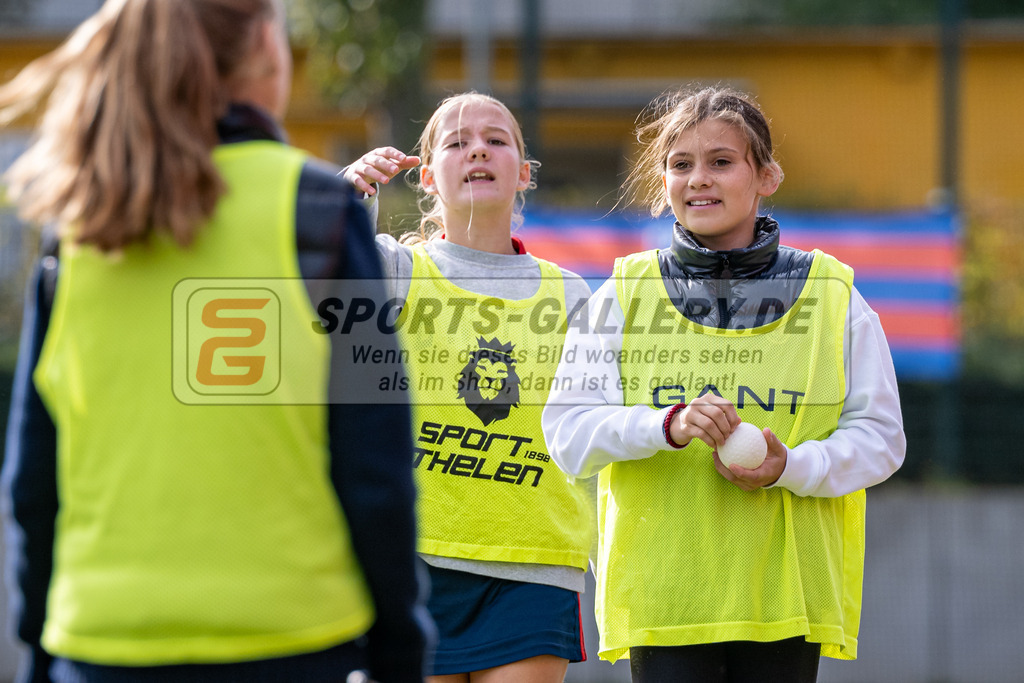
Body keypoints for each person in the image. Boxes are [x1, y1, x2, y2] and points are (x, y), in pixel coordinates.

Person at [0, 1, 430, 682]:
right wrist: (399, 646)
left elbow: (33, 478)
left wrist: (37, 650)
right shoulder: (319, 210)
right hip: (290, 638)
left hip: (102, 640)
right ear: (262, 45)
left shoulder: (81, 222)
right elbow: (374, 463)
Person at [541, 86, 906, 682]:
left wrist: (791, 465)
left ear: (766, 176)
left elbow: (882, 439)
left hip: (787, 602)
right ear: (664, 182)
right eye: (680, 164)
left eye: (721, 161)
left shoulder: (834, 296)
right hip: (664, 598)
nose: (698, 179)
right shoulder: (621, 296)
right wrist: (666, 424)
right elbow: (567, 435)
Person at [343, 92, 595, 683]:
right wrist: (345, 197)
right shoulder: (398, 270)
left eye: (495, 140)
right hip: (412, 560)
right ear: (428, 177)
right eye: (457, 143)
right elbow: (317, 271)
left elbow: (591, 427)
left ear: (524, 173)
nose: (477, 149)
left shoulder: (571, 293)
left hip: (533, 566)